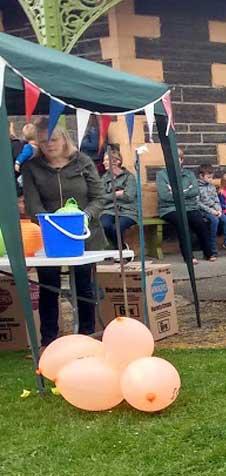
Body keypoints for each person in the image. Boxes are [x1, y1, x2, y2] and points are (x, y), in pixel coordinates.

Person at [21, 122, 106, 346]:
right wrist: (53, 224)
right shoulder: (31, 167)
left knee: (83, 284)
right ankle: (49, 340)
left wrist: (83, 217)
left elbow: (99, 197)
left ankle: (86, 336)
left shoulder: (83, 162)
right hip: (49, 236)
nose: (48, 145)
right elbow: (32, 204)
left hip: (83, 234)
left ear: (64, 139)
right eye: (42, 141)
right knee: (49, 286)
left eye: (53, 139)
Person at [155, 148, 216, 263]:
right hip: (169, 209)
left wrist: (175, 192)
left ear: (181, 160)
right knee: (182, 223)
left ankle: (209, 253)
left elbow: (195, 192)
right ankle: (188, 256)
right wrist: (185, 192)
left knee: (199, 222)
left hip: (190, 207)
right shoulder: (162, 175)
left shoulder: (189, 174)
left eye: (177, 158)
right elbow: (164, 196)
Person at [100, 146, 139, 251]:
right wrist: (117, 194)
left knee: (116, 228)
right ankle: (120, 248)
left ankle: (120, 251)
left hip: (128, 211)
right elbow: (101, 197)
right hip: (109, 210)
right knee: (104, 225)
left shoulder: (129, 177)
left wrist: (111, 195)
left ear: (117, 162)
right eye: (104, 160)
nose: (104, 163)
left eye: (107, 160)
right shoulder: (104, 178)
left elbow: (129, 196)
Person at [195, 164, 226, 255]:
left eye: (211, 177)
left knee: (225, 219)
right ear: (201, 176)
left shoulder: (212, 186)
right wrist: (212, 211)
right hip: (203, 211)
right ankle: (212, 247)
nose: (210, 179)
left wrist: (219, 210)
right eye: (208, 177)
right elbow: (198, 203)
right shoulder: (197, 187)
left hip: (214, 210)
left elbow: (216, 200)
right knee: (215, 220)